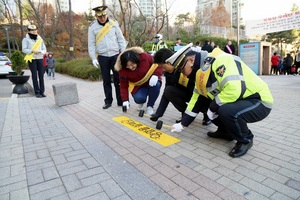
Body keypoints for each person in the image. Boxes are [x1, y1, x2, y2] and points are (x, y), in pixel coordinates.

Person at [170, 47, 273, 158]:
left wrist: (213, 107)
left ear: (190, 60)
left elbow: (234, 89)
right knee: (206, 105)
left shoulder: (221, 60)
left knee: (225, 110)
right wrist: (183, 124)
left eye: (181, 69)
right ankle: (226, 132)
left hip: (258, 101)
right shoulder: (202, 72)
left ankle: (245, 139)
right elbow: (195, 100)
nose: (183, 74)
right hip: (241, 100)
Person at [150, 45, 211, 125]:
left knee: (203, 98)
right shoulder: (169, 74)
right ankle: (185, 114)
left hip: (200, 94)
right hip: (188, 94)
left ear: (169, 62)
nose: (163, 70)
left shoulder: (186, 65)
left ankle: (207, 115)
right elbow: (165, 94)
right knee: (169, 91)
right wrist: (158, 114)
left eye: (163, 66)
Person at [88, 5, 127, 109]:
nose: (102, 18)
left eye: (104, 15)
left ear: (106, 14)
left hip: (115, 55)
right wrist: (93, 58)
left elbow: (121, 39)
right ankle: (108, 101)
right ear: (96, 16)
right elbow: (91, 44)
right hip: (103, 56)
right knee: (106, 80)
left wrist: (122, 53)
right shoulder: (92, 27)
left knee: (118, 79)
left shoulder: (113, 24)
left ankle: (121, 100)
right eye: (100, 16)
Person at [114, 47, 163, 115]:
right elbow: (123, 86)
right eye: (127, 66)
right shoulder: (122, 71)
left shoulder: (145, 57)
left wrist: (156, 74)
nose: (131, 67)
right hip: (138, 86)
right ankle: (141, 102)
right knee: (139, 99)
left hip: (151, 82)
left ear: (136, 59)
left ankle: (150, 106)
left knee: (156, 85)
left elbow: (158, 63)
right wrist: (125, 100)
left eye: (132, 64)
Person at [22, 25, 47, 98]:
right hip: (32, 59)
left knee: (41, 76)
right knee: (34, 76)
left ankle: (42, 91)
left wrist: (41, 52)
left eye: (35, 30)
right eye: (32, 30)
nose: (34, 31)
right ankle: (37, 92)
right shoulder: (25, 39)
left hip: (40, 58)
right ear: (29, 31)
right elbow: (24, 49)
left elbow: (44, 49)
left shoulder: (40, 39)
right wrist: (32, 51)